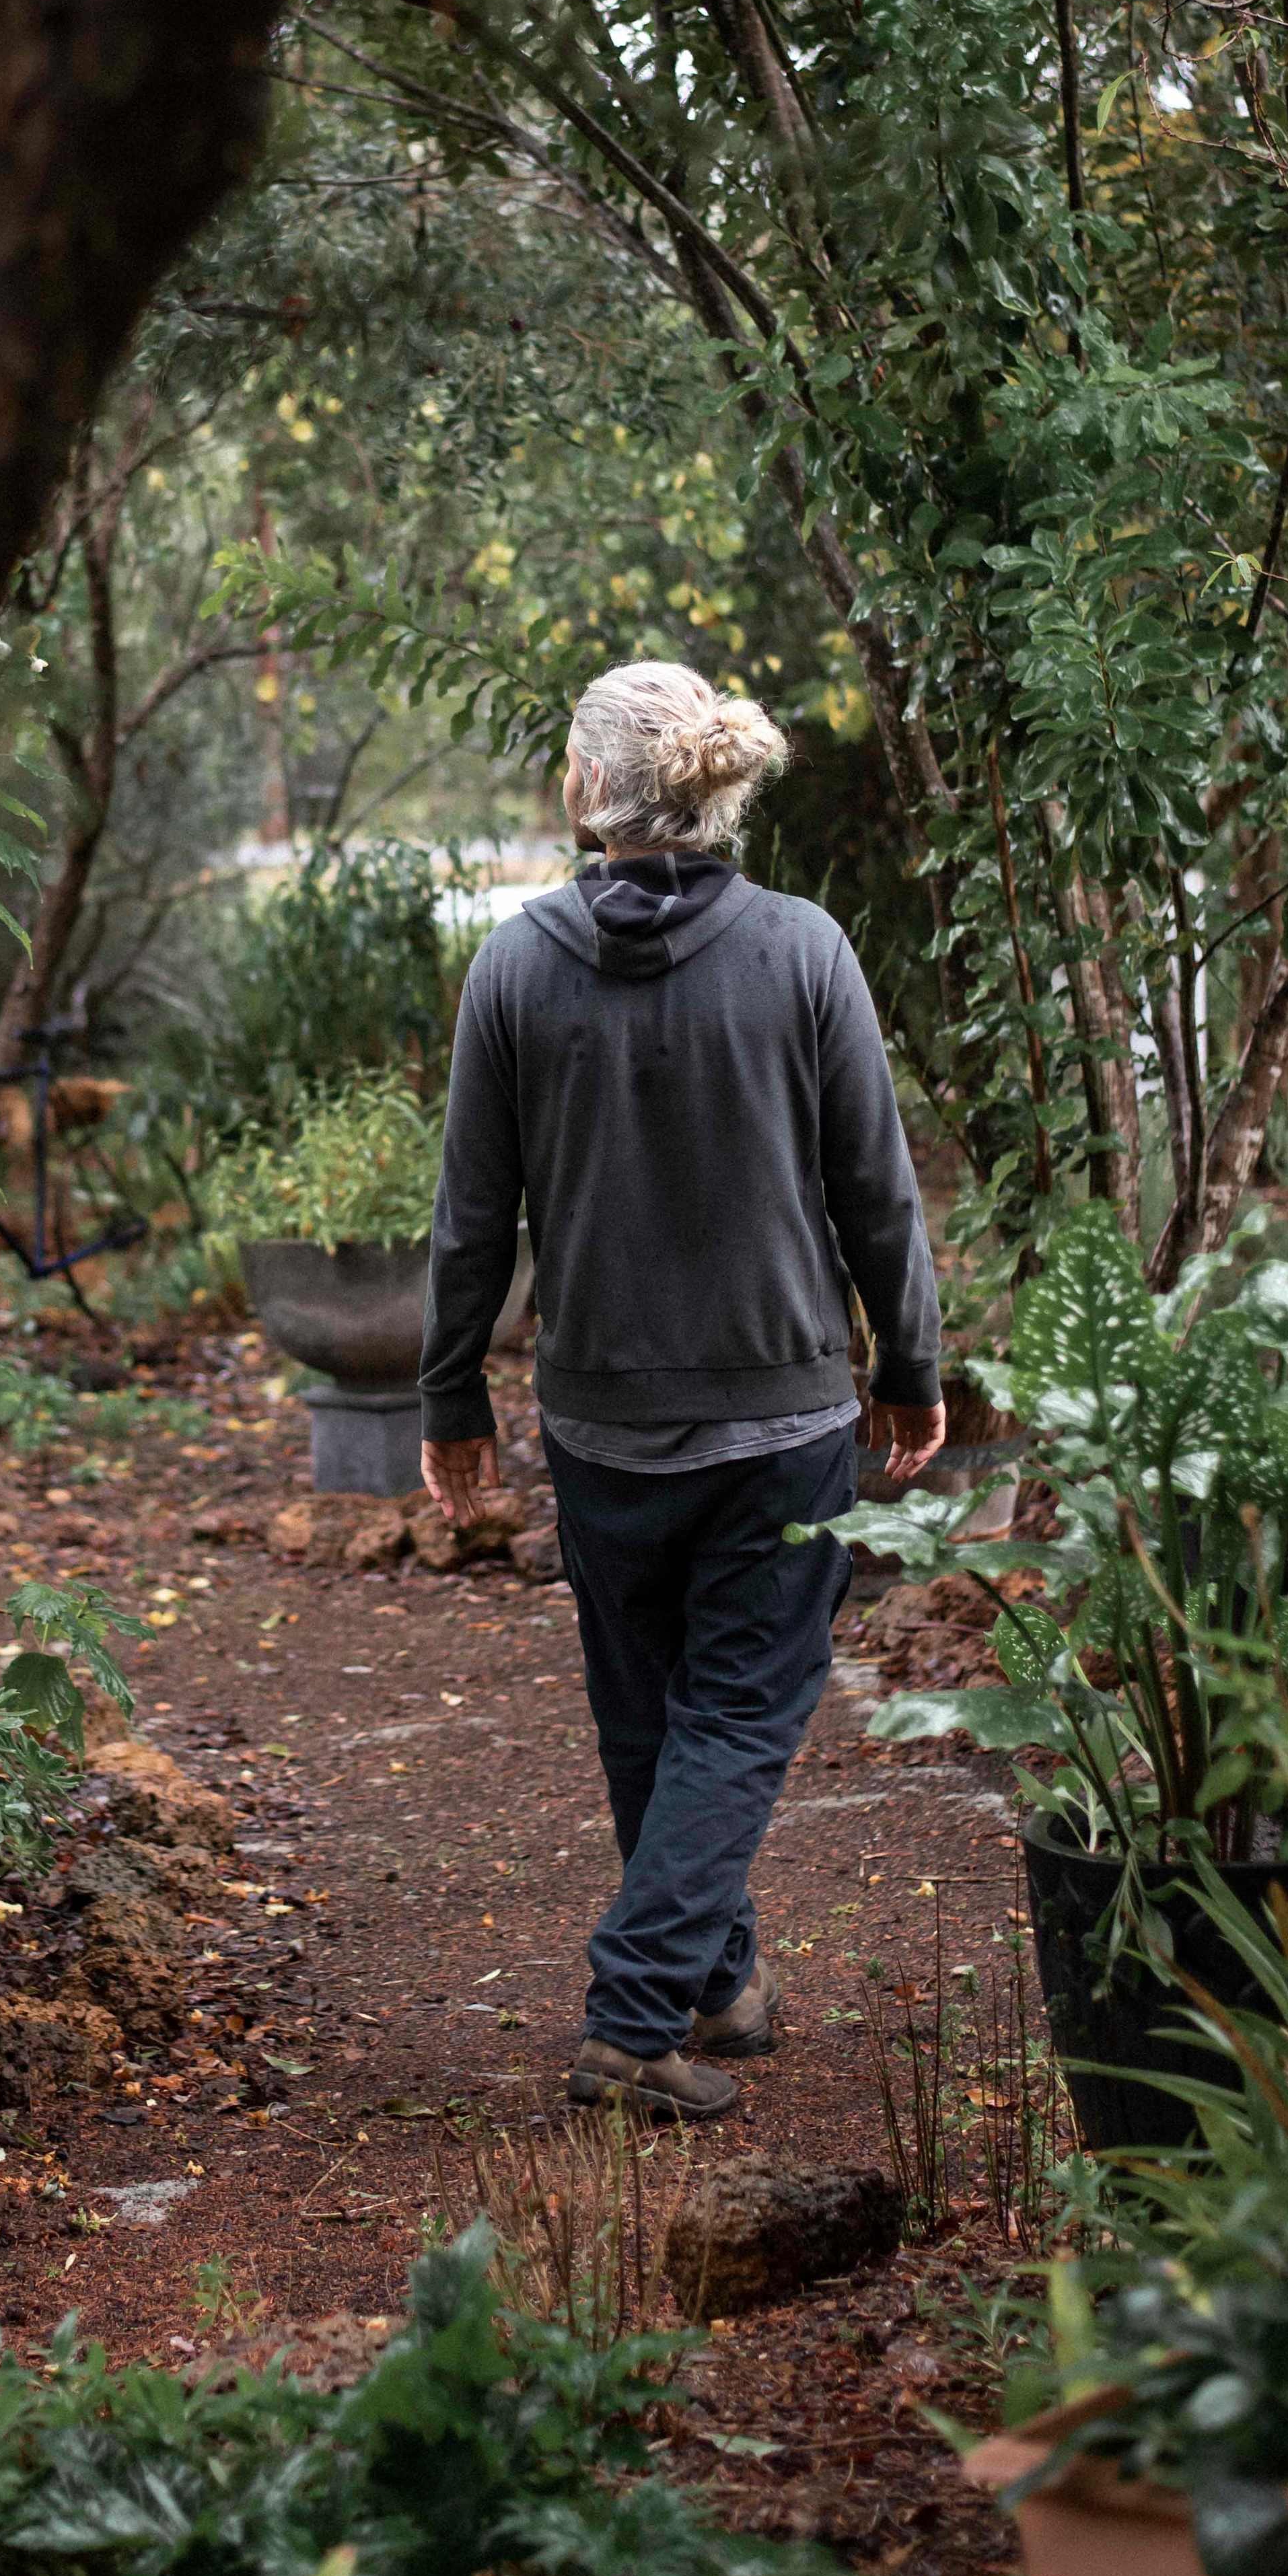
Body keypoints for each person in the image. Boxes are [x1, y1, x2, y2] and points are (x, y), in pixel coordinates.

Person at [417, 661, 944, 2121]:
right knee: (736, 1718)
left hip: (601, 1426)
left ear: (588, 792)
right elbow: (877, 1191)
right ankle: (636, 2015)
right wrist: (912, 1363)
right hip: (784, 1421)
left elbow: (472, 1220)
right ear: (712, 790)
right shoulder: (803, 950)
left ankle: (721, 1985)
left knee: (654, 1721)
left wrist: (452, 1396)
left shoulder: (514, 968)